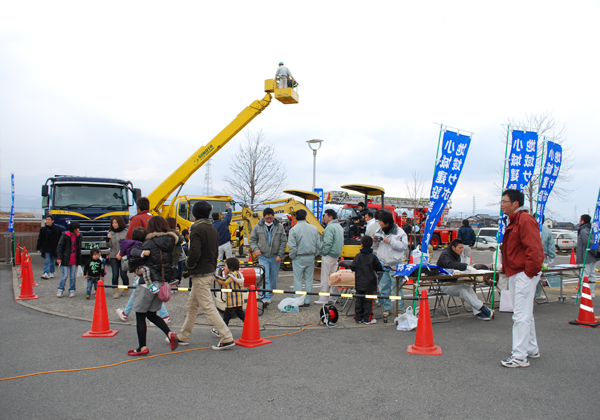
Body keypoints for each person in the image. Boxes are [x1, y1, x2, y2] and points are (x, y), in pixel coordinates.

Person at [178, 200, 235, 350]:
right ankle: (183, 336)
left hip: (200, 273)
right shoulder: (212, 228)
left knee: (208, 307)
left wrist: (188, 265)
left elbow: (194, 252)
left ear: (194, 214)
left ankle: (226, 337)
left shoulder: (196, 228)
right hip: (209, 270)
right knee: (192, 306)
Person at [499, 189, 544, 368]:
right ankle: (531, 349)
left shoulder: (524, 220)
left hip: (523, 273)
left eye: (504, 201)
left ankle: (519, 356)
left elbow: (535, 248)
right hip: (518, 272)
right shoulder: (515, 220)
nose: (502, 204)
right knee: (525, 314)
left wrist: (529, 272)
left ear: (515, 203)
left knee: (520, 315)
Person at [127, 216, 179, 356]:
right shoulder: (170, 242)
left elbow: (133, 261)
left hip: (147, 283)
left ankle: (142, 347)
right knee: (151, 314)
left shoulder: (149, 242)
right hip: (161, 283)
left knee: (140, 315)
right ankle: (169, 333)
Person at [115, 227, 171, 324]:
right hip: (143, 271)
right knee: (141, 293)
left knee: (140, 294)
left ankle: (164, 315)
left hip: (143, 272)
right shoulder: (140, 245)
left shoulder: (135, 244)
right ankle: (126, 313)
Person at [436, 239, 493, 320]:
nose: (462, 250)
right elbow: (449, 264)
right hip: (444, 284)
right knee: (462, 291)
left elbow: (456, 266)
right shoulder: (445, 254)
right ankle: (482, 308)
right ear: (453, 247)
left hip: (454, 282)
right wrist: (465, 266)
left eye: (462, 248)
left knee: (468, 288)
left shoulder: (456, 254)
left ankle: (478, 312)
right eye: (460, 248)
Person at [249, 207, 287, 304]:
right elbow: (252, 240)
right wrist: (256, 249)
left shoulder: (279, 226)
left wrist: (280, 255)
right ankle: (264, 297)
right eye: (267, 218)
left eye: (270, 218)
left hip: (275, 257)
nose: (269, 220)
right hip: (263, 256)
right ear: (263, 217)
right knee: (265, 276)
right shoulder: (258, 227)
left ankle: (269, 295)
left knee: (273, 279)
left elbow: (283, 241)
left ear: (273, 217)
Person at [374, 212, 408, 316]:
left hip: (395, 264)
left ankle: (400, 309)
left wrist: (390, 241)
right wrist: (374, 240)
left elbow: (404, 246)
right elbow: (375, 245)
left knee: (397, 289)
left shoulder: (400, 232)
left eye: (381, 221)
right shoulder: (379, 231)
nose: (379, 223)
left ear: (387, 223)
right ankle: (386, 308)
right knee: (384, 288)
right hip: (383, 264)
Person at [288, 209, 321, 307]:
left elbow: (292, 246)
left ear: (296, 218)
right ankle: (307, 301)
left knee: (298, 279)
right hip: (310, 256)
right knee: (309, 279)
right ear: (306, 217)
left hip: (298, 257)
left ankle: (298, 300)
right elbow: (318, 245)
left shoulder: (293, 229)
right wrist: (315, 254)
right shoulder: (314, 228)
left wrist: (292, 256)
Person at [351, 236, 383, 324]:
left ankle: (358, 317)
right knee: (368, 301)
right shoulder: (373, 257)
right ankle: (367, 318)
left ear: (361, 245)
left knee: (359, 300)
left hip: (359, 282)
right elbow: (379, 267)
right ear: (371, 245)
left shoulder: (358, 256)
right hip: (370, 283)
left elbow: (352, 267)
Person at [315, 209, 344, 304]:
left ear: (330, 217)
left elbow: (327, 242)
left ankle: (323, 298)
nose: (324, 217)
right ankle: (333, 297)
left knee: (325, 277)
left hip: (328, 255)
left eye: (325, 216)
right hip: (336, 254)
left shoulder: (329, 228)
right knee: (333, 277)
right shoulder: (339, 227)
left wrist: (323, 252)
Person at [212, 257, 245, 333]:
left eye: (225, 266)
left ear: (230, 267)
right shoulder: (239, 274)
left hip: (232, 301)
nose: (224, 268)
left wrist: (214, 276)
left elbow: (224, 281)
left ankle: (220, 330)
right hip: (238, 300)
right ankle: (250, 325)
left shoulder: (232, 275)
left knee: (226, 317)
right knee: (241, 315)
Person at [56, 221, 82, 298]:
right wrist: (59, 258)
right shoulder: (65, 235)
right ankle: (60, 289)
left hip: (74, 259)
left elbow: (79, 249)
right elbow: (60, 247)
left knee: (72, 276)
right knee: (65, 275)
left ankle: (72, 290)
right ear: (73, 229)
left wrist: (79, 261)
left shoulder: (79, 236)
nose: (78, 230)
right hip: (65, 258)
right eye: (77, 228)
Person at [107, 215, 130, 299]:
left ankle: (126, 288)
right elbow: (108, 245)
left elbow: (128, 244)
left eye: (116, 222)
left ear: (120, 222)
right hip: (113, 255)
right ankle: (115, 291)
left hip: (123, 256)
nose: (114, 224)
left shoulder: (126, 232)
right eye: (113, 223)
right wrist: (107, 239)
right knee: (115, 274)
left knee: (123, 274)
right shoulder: (111, 232)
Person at [576, 214, 598, 299]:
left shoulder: (584, 230)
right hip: (592, 256)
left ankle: (584, 294)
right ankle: (591, 292)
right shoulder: (592, 229)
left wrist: (594, 249)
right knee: (592, 274)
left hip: (585, 256)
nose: (579, 221)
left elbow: (587, 242)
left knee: (584, 275)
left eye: (580, 220)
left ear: (583, 221)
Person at [37, 215, 62, 279]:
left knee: (52, 261)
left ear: (52, 221)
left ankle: (51, 272)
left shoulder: (57, 229)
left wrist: (60, 248)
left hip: (54, 248)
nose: (47, 221)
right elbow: (40, 239)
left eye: (49, 220)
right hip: (46, 248)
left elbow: (60, 238)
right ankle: (46, 273)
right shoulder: (43, 229)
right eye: (46, 220)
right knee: (47, 261)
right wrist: (38, 247)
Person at [536, 216, 556, 298]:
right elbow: (551, 245)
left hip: (529, 256)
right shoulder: (547, 230)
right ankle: (537, 294)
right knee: (539, 276)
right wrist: (552, 256)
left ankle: (530, 295)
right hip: (543, 257)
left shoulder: (527, 229)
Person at [166, 217, 184, 285]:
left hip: (166, 257)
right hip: (174, 256)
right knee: (174, 273)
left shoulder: (164, 231)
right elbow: (180, 240)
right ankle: (173, 288)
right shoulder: (173, 232)